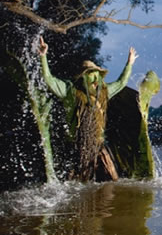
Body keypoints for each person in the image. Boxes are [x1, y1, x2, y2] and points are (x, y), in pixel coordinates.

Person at [37, 36, 138, 181]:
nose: (95, 80)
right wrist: (43, 57)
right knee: (77, 188)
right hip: (77, 150)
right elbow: (49, 80)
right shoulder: (70, 91)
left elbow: (121, 82)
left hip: (99, 148)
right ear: (82, 77)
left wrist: (129, 64)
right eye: (90, 75)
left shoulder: (104, 92)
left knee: (111, 184)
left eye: (96, 75)